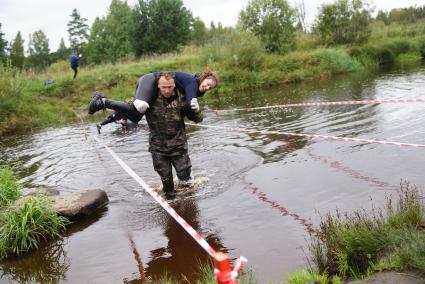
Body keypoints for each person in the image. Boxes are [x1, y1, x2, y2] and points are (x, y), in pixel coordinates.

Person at [144, 72, 204, 198]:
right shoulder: (150, 97)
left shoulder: (183, 97)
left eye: (170, 87)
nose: (166, 90)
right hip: (158, 148)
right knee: (167, 185)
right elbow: (129, 108)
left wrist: (196, 110)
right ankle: (171, 204)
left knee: (185, 179)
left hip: (178, 146)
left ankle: (189, 205)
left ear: (175, 85)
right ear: (158, 86)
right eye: (163, 87)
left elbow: (197, 119)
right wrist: (107, 103)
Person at [87, 70, 218, 121]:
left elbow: (185, 109)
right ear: (203, 78)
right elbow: (190, 100)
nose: (207, 87)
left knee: (136, 116)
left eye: (210, 88)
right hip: (149, 80)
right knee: (140, 106)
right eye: (207, 84)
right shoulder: (192, 82)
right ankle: (103, 100)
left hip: (155, 88)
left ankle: (105, 103)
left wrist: (192, 108)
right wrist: (193, 104)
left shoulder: (195, 88)